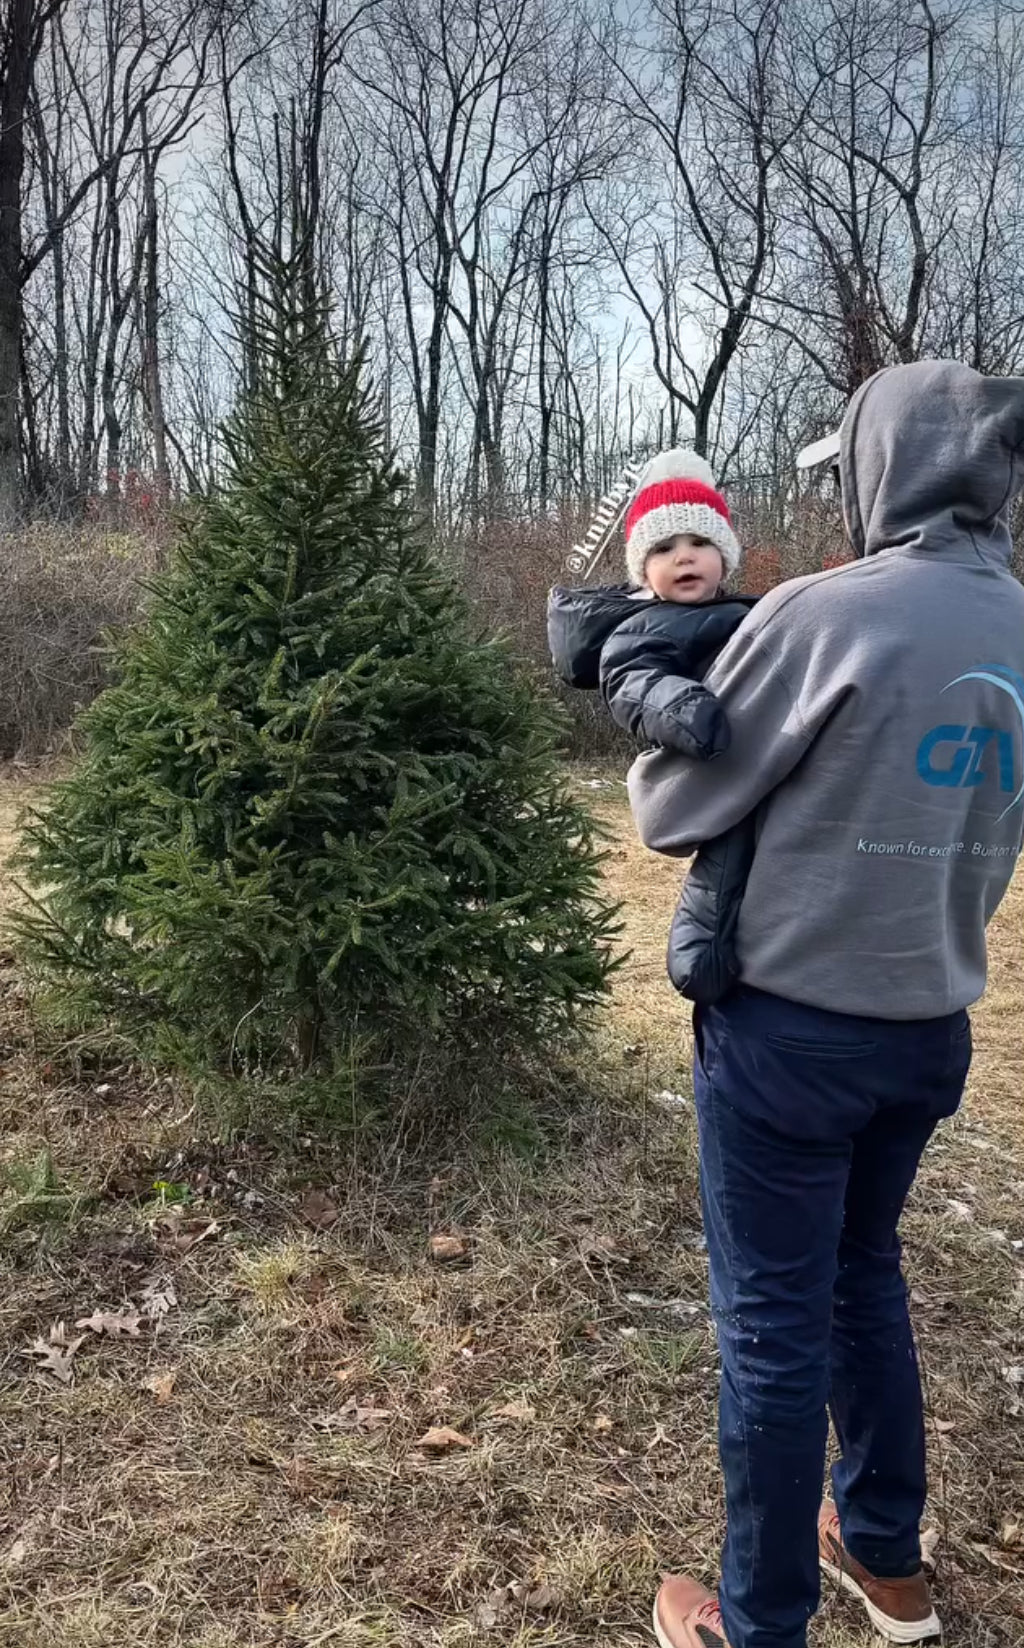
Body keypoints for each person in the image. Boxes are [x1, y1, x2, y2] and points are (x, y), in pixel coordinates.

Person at [630, 361, 1024, 1648]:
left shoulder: (824, 612)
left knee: (771, 1324)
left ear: (880, 469)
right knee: (864, 1274)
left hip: (790, 1033)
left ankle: (758, 1625)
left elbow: (669, 806)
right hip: (930, 1026)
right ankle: (885, 1555)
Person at [547, 450, 757, 1002]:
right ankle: (699, 960)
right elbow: (632, 684)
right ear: (644, 568)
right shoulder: (641, 627)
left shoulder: (752, 611)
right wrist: (684, 706)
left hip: (761, 756)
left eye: (700, 544)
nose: (684, 558)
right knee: (725, 869)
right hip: (708, 753)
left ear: (725, 556)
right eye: (664, 548)